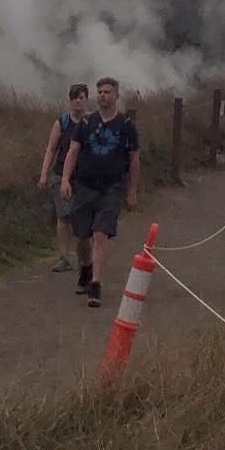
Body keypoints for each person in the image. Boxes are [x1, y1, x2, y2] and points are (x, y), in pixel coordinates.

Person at [59, 75, 140, 308]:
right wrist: (65, 179)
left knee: (100, 233)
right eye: (100, 92)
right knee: (82, 235)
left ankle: (95, 283)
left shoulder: (125, 126)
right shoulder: (86, 123)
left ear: (116, 95)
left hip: (111, 187)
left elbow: (134, 160)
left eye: (107, 92)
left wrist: (132, 191)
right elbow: (73, 151)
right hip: (84, 186)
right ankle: (86, 267)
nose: (103, 95)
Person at [37, 83, 91, 273]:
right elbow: (51, 149)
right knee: (63, 216)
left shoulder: (91, 123)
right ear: (69, 101)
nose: (78, 100)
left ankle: (84, 258)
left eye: (81, 97)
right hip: (61, 174)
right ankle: (64, 257)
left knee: (82, 218)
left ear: (86, 100)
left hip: (85, 177)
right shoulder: (62, 122)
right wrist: (44, 173)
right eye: (75, 97)